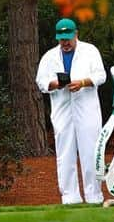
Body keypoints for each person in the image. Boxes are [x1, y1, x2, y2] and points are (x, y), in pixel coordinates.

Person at [34, 17, 107, 204]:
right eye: (61, 39)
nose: (65, 42)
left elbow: (101, 75)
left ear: (76, 34)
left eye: (68, 38)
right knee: (65, 152)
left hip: (87, 109)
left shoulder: (90, 51)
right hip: (62, 110)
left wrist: (82, 82)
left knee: (90, 152)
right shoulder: (49, 57)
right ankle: (70, 197)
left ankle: (94, 196)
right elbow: (41, 82)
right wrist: (55, 84)